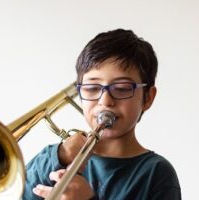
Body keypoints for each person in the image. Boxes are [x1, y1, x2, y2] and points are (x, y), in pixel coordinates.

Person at [23, 29, 181, 200]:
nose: (105, 101)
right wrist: (59, 156)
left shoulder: (156, 173)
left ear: (148, 98)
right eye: (92, 88)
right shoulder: (53, 158)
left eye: (121, 88)